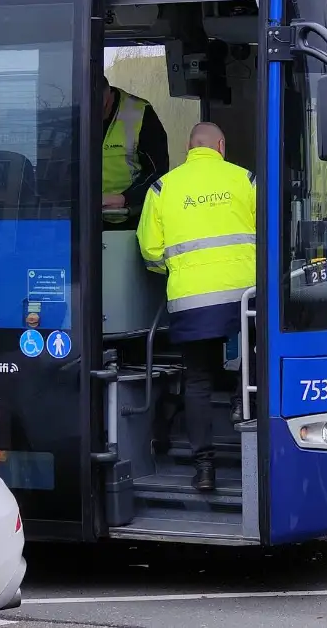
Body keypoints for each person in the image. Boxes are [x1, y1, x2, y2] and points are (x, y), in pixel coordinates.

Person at [136, 122, 256, 491]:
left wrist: (178, 268)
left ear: (190, 148)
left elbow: (150, 252)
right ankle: (241, 402)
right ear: (221, 145)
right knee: (254, 357)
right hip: (245, 297)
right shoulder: (246, 180)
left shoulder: (162, 188)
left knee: (198, 380)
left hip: (191, 301)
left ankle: (204, 468)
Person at [99, 75, 170, 230]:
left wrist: (125, 198)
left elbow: (158, 172)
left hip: (130, 217)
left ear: (108, 93)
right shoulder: (74, 111)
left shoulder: (140, 113)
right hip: (81, 216)